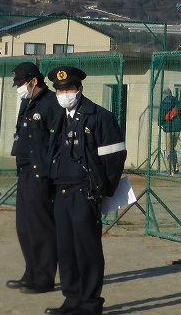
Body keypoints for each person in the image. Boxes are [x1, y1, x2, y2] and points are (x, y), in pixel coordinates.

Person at [46, 66, 127, 315]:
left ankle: (90, 303)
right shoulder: (59, 117)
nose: (64, 94)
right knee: (66, 248)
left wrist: (102, 191)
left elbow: (115, 158)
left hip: (85, 191)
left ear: (80, 89)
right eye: (60, 91)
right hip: (61, 190)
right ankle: (72, 299)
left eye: (69, 89)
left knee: (87, 249)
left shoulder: (99, 117)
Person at [7, 62, 65, 295]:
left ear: (33, 81)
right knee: (24, 226)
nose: (20, 88)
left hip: (40, 172)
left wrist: (50, 173)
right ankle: (30, 272)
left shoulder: (51, 103)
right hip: (24, 169)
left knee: (41, 226)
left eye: (22, 84)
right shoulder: (28, 102)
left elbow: (57, 140)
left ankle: (44, 277)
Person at [159, 87, 181, 174]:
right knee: (172, 148)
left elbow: (161, 117)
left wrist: (162, 123)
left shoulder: (163, 103)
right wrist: (180, 120)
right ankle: (175, 167)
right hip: (177, 129)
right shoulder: (178, 102)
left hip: (168, 129)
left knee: (168, 149)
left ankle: (170, 169)